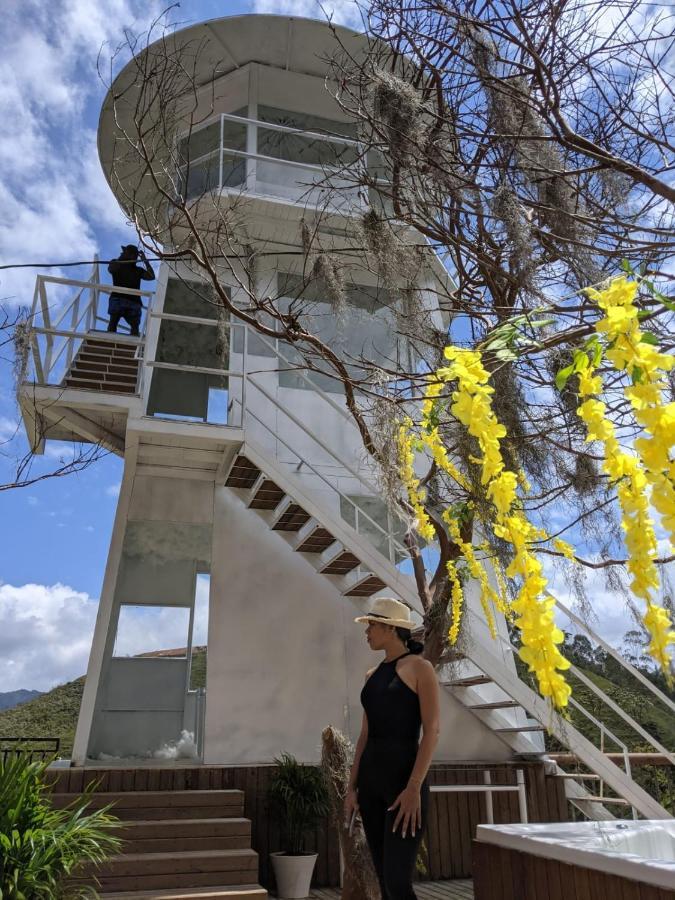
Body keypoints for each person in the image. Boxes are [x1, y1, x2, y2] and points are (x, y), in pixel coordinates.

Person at [345, 597, 440, 900]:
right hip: (371, 785)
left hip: (404, 786)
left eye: (371, 625)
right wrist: (351, 788)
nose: (367, 632)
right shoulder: (370, 676)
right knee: (385, 882)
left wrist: (414, 787)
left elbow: (432, 731)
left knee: (398, 883)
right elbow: (364, 735)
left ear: (389, 628)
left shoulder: (420, 669)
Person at [107, 244, 155, 336]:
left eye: (125, 252)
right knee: (113, 323)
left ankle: (134, 347)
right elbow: (111, 269)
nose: (121, 253)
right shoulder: (116, 264)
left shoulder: (138, 270)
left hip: (132, 302)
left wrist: (145, 261)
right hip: (119, 299)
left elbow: (151, 276)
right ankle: (108, 341)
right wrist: (121, 260)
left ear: (131, 255)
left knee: (134, 327)